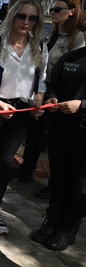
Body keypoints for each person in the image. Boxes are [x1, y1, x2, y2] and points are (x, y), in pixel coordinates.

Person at [0, 0, 47, 235]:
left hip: (20, 110)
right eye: (22, 16)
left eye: (32, 18)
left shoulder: (40, 47)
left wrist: (38, 103)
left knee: (6, 161)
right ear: (12, 16)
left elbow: (41, 81)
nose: (26, 22)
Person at [11, 0, 85, 196]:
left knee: (54, 143)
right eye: (51, 9)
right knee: (34, 134)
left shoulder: (78, 37)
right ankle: (26, 170)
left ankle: (55, 185)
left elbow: (74, 72)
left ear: (72, 11)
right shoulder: (49, 35)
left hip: (61, 99)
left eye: (57, 9)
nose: (52, 12)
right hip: (42, 94)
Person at [33, 29, 86, 251]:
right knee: (59, 178)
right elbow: (53, 82)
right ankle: (52, 221)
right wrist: (52, 96)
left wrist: (82, 105)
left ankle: (69, 228)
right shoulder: (71, 57)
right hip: (61, 129)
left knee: (80, 184)